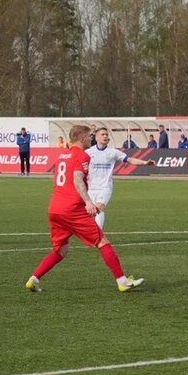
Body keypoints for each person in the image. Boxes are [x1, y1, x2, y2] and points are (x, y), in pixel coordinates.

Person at [25, 124, 144, 293]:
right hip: (71, 209)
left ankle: (34, 279)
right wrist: (88, 202)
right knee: (102, 241)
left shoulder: (62, 156)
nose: (91, 139)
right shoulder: (83, 155)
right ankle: (122, 281)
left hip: (54, 209)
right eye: (89, 136)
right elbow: (77, 179)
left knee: (61, 250)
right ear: (82, 139)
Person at [86, 126, 156, 229]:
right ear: (96, 138)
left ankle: (97, 234)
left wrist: (145, 162)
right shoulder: (88, 152)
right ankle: (88, 231)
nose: (105, 136)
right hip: (91, 187)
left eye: (106, 134)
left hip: (105, 187)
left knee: (100, 207)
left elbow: (130, 160)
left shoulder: (113, 152)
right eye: (102, 134)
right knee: (89, 211)